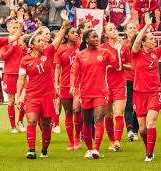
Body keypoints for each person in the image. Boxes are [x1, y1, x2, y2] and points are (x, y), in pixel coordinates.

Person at [16, 10, 69, 159]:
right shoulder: (25, 60)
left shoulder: (48, 52)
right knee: (31, 121)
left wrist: (64, 23)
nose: (43, 43)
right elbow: (21, 79)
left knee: (46, 125)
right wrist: (19, 96)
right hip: (32, 95)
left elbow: (58, 38)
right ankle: (31, 150)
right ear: (32, 45)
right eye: (39, 41)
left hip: (48, 95)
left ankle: (44, 150)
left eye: (42, 41)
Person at [130, 11, 161, 162]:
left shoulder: (155, 53)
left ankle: (149, 154)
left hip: (154, 93)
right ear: (143, 42)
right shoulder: (136, 53)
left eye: (153, 38)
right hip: (138, 93)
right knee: (142, 128)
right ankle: (148, 148)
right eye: (150, 39)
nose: (153, 41)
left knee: (151, 123)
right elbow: (136, 42)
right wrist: (147, 25)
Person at [70, 29, 121, 159]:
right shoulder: (80, 55)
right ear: (86, 40)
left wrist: (118, 51)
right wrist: (72, 86)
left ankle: (96, 150)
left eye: (97, 36)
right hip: (85, 92)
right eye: (94, 37)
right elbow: (74, 72)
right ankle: (89, 148)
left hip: (101, 92)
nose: (97, 38)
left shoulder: (105, 52)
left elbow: (117, 66)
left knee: (99, 119)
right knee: (87, 122)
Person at [100, 22, 132, 152]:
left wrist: (119, 64)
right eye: (110, 29)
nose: (114, 30)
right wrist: (108, 66)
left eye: (115, 28)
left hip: (120, 84)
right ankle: (112, 141)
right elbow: (98, 66)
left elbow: (130, 66)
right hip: (106, 85)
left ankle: (117, 141)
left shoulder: (124, 47)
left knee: (119, 113)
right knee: (108, 115)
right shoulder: (102, 48)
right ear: (105, 34)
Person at [54, 25, 82, 150]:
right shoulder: (61, 50)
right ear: (66, 36)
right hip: (65, 84)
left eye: (77, 32)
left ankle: (77, 138)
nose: (76, 34)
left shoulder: (81, 48)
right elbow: (57, 68)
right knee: (68, 112)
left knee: (77, 110)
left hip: (78, 84)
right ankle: (71, 142)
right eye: (72, 32)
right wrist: (56, 83)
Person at [1, 20, 26, 133]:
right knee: (11, 100)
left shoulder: (22, 41)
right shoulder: (5, 42)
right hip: (10, 74)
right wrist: (12, 46)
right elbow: (3, 57)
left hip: (22, 74)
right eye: (13, 28)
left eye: (17, 27)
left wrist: (23, 48)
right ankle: (13, 126)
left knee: (23, 99)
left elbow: (27, 54)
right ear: (8, 29)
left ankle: (20, 121)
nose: (16, 30)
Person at [123, 22, 139, 141]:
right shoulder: (122, 44)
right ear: (125, 31)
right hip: (127, 79)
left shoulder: (141, 43)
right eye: (130, 28)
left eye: (134, 27)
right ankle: (130, 130)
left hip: (140, 78)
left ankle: (136, 130)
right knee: (128, 105)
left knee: (138, 107)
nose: (132, 29)